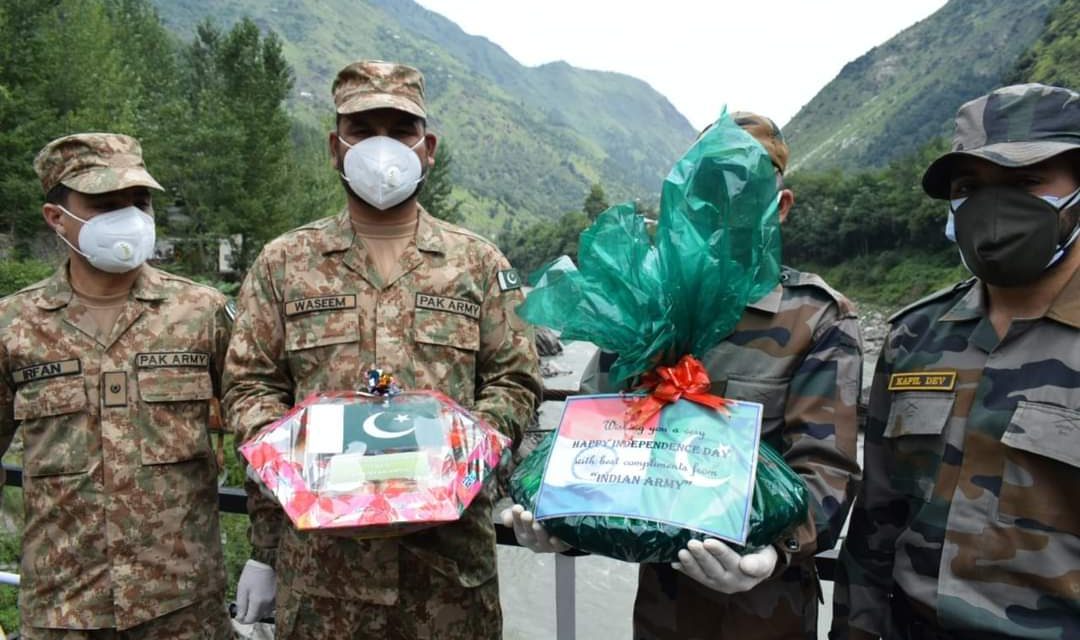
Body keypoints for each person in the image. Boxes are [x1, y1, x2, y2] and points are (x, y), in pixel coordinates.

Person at [505, 112, 864, 639]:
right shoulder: (646, 306)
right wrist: (561, 523)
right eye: (705, 185)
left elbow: (827, 469)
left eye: (744, 185)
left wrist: (774, 549)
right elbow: (595, 447)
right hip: (662, 611)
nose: (722, 202)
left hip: (769, 613)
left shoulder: (816, 319)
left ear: (781, 205)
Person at [223, 60, 543, 637]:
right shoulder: (283, 264)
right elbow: (250, 385)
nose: (381, 147)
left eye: (400, 131)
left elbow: (514, 379)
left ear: (428, 148)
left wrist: (466, 453)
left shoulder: (478, 263)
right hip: (323, 576)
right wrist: (291, 464)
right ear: (335, 147)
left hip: (448, 575)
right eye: (363, 130)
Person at [832, 83, 1080, 639]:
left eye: (1025, 181)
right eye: (969, 188)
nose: (991, 208)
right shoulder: (915, 336)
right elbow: (876, 523)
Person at [0, 133, 233, 638]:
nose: (129, 217)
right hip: (63, 607)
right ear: (56, 217)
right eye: (106, 204)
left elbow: (261, 432)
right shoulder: (13, 325)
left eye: (139, 202)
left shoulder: (201, 313)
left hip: (182, 603)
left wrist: (269, 552)